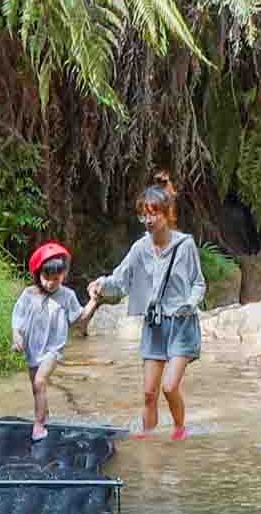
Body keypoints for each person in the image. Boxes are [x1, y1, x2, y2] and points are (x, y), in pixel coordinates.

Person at [88, 176, 205, 440]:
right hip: (155, 325)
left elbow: (199, 283)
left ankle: (179, 428)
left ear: (167, 214)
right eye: (144, 215)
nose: (149, 221)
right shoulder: (140, 248)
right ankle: (148, 437)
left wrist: (191, 303)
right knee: (149, 392)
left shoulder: (185, 245)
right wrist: (101, 284)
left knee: (169, 386)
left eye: (154, 214)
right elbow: (120, 281)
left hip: (182, 324)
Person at [13, 243, 85, 426]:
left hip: (54, 348)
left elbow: (78, 319)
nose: (51, 283)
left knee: (40, 381)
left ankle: (38, 425)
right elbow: (18, 317)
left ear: (63, 276)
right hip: (32, 348)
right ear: (38, 274)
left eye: (56, 279)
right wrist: (17, 336)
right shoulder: (28, 294)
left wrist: (95, 301)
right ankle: (46, 417)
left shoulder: (67, 295)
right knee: (36, 387)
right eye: (47, 278)